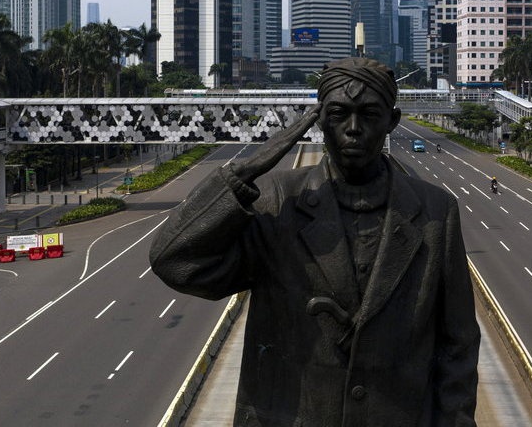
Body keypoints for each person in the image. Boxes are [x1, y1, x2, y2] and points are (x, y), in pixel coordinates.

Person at [148, 57, 480, 426]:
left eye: (369, 114)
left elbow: (458, 346)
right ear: (320, 120)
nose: (353, 129)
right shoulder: (277, 203)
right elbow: (173, 261)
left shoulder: (435, 213)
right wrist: (237, 177)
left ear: (392, 121)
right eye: (339, 113)